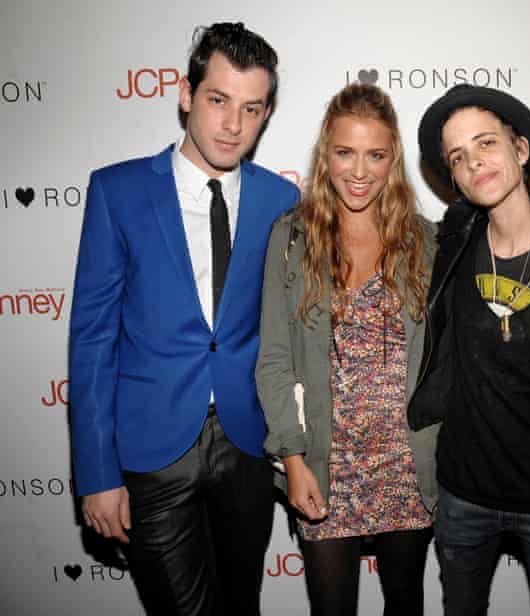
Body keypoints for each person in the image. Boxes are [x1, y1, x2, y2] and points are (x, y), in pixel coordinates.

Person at [69, 22, 299, 616]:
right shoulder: (117, 192)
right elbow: (92, 340)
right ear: (184, 93)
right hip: (153, 448)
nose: (233, 124)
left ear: (266, 112)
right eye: (218, 100)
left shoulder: (281, 200)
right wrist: (96, 473)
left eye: (251, 109)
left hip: (248, 445)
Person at [411, 84, 530, 615]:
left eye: (486, 144)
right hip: (464, 493)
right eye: (458, 157)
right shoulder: (453, 245)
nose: (474, 163)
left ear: (520, 150)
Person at [255, 83, 438, 616]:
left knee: (405, 604)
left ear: (393, 159)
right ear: (325, 154)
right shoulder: (291, 238)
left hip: (407, 467)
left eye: (376, 155)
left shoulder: (424, 242)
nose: (360, 171)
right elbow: (273, 359)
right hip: (323, 468)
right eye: (345, 152)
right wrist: (292, 458)